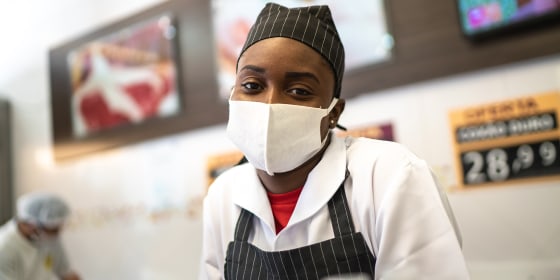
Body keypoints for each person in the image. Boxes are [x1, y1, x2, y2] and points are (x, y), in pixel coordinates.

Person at [200, 2, 470, 279]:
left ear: (333, 113)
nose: (270, 104)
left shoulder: (390, 177)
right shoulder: (223, 196)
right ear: (233, 95)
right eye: (252, 86)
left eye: (298, 90)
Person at [0, 192, 81, 280]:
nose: (57, 234)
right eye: (53, 229)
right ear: (32, 224)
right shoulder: (5, 247)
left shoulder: (51, 239)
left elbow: (67, 274)